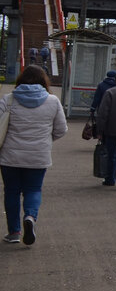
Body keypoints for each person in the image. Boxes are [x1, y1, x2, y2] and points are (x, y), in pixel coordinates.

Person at [1, 65, 68, 245]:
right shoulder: (53, 101)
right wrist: (45, 140)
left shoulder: (8, 100)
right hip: (38, 156)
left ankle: (14, 232)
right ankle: (30, 216)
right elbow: (62, 129)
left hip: (10, 157)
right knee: (33, 189)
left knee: (12, 192)